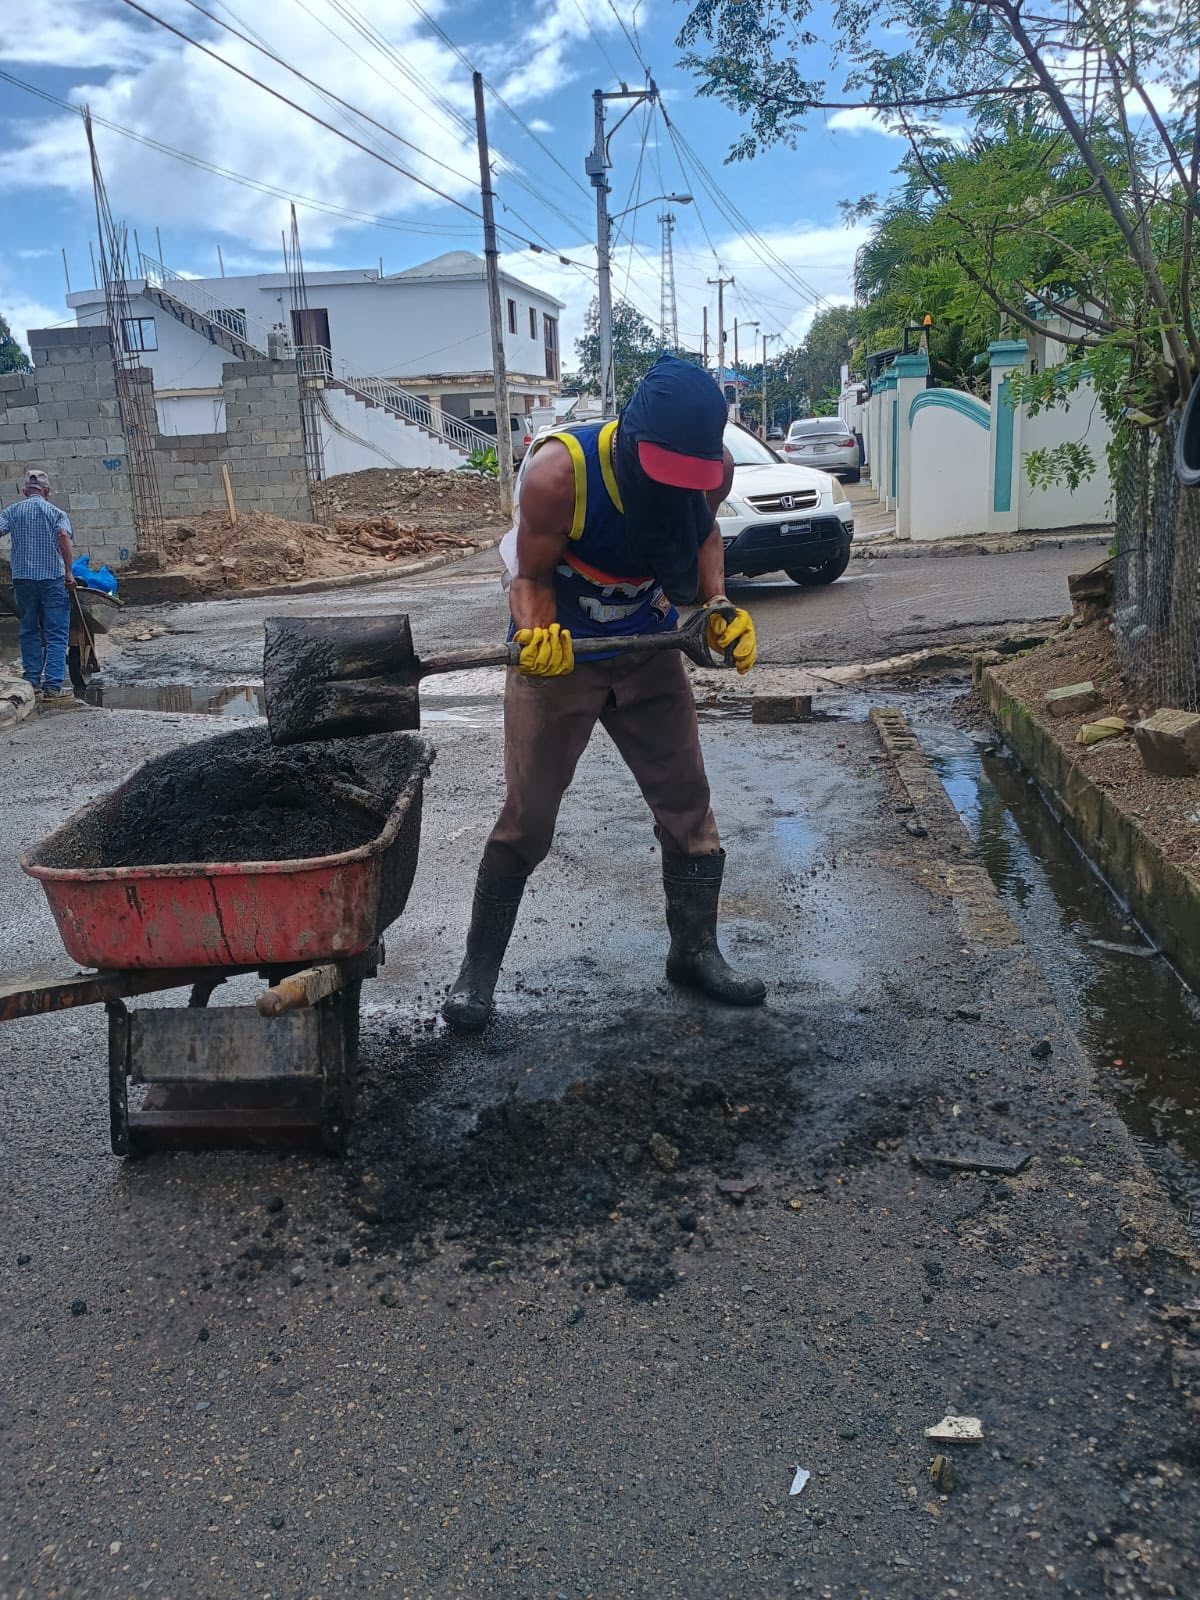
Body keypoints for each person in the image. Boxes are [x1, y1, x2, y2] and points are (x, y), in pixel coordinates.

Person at [444, 354, 765, 1031]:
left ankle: (694, 951)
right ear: (633, 437)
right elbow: (528, 576)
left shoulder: (713, 472)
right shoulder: (559, 473)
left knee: (688, 805)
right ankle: (476, 974)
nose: (684, 484)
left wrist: (717, 608)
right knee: (528, 818)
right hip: (562, 653)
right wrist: (537, 636)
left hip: (648, 649)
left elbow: (703, 535)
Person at [0, 469, 76, 702]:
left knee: (29, 628)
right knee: (56, 632)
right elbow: (63, 536)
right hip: (52, 579)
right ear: (46, 492)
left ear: (25, 491)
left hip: (23, 579)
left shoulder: (12, 511)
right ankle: (53, 687)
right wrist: (69, 571)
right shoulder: (56, 512)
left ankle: (32, 681)